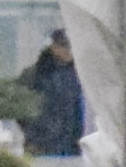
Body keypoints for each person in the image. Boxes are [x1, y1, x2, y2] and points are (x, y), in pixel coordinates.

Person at [23, 27, 88, 158]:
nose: (68, 51)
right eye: (64, 46)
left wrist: (76, 140)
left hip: (69, 148)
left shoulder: (75, 75)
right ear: (54, 47)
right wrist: (33, 138)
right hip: (41, 147)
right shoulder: (36, 74)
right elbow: (21, 109)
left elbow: (77, 112)